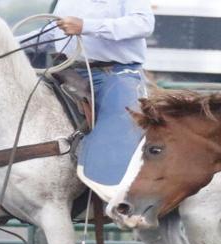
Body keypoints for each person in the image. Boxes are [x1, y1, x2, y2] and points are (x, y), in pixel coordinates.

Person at [40, 0, 156, 189]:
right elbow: (52, 33)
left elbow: (143, 23)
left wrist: (86, 26)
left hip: (115, 72)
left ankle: (120, 193)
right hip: (67, 71)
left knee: (122, 123)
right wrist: (9, 42)